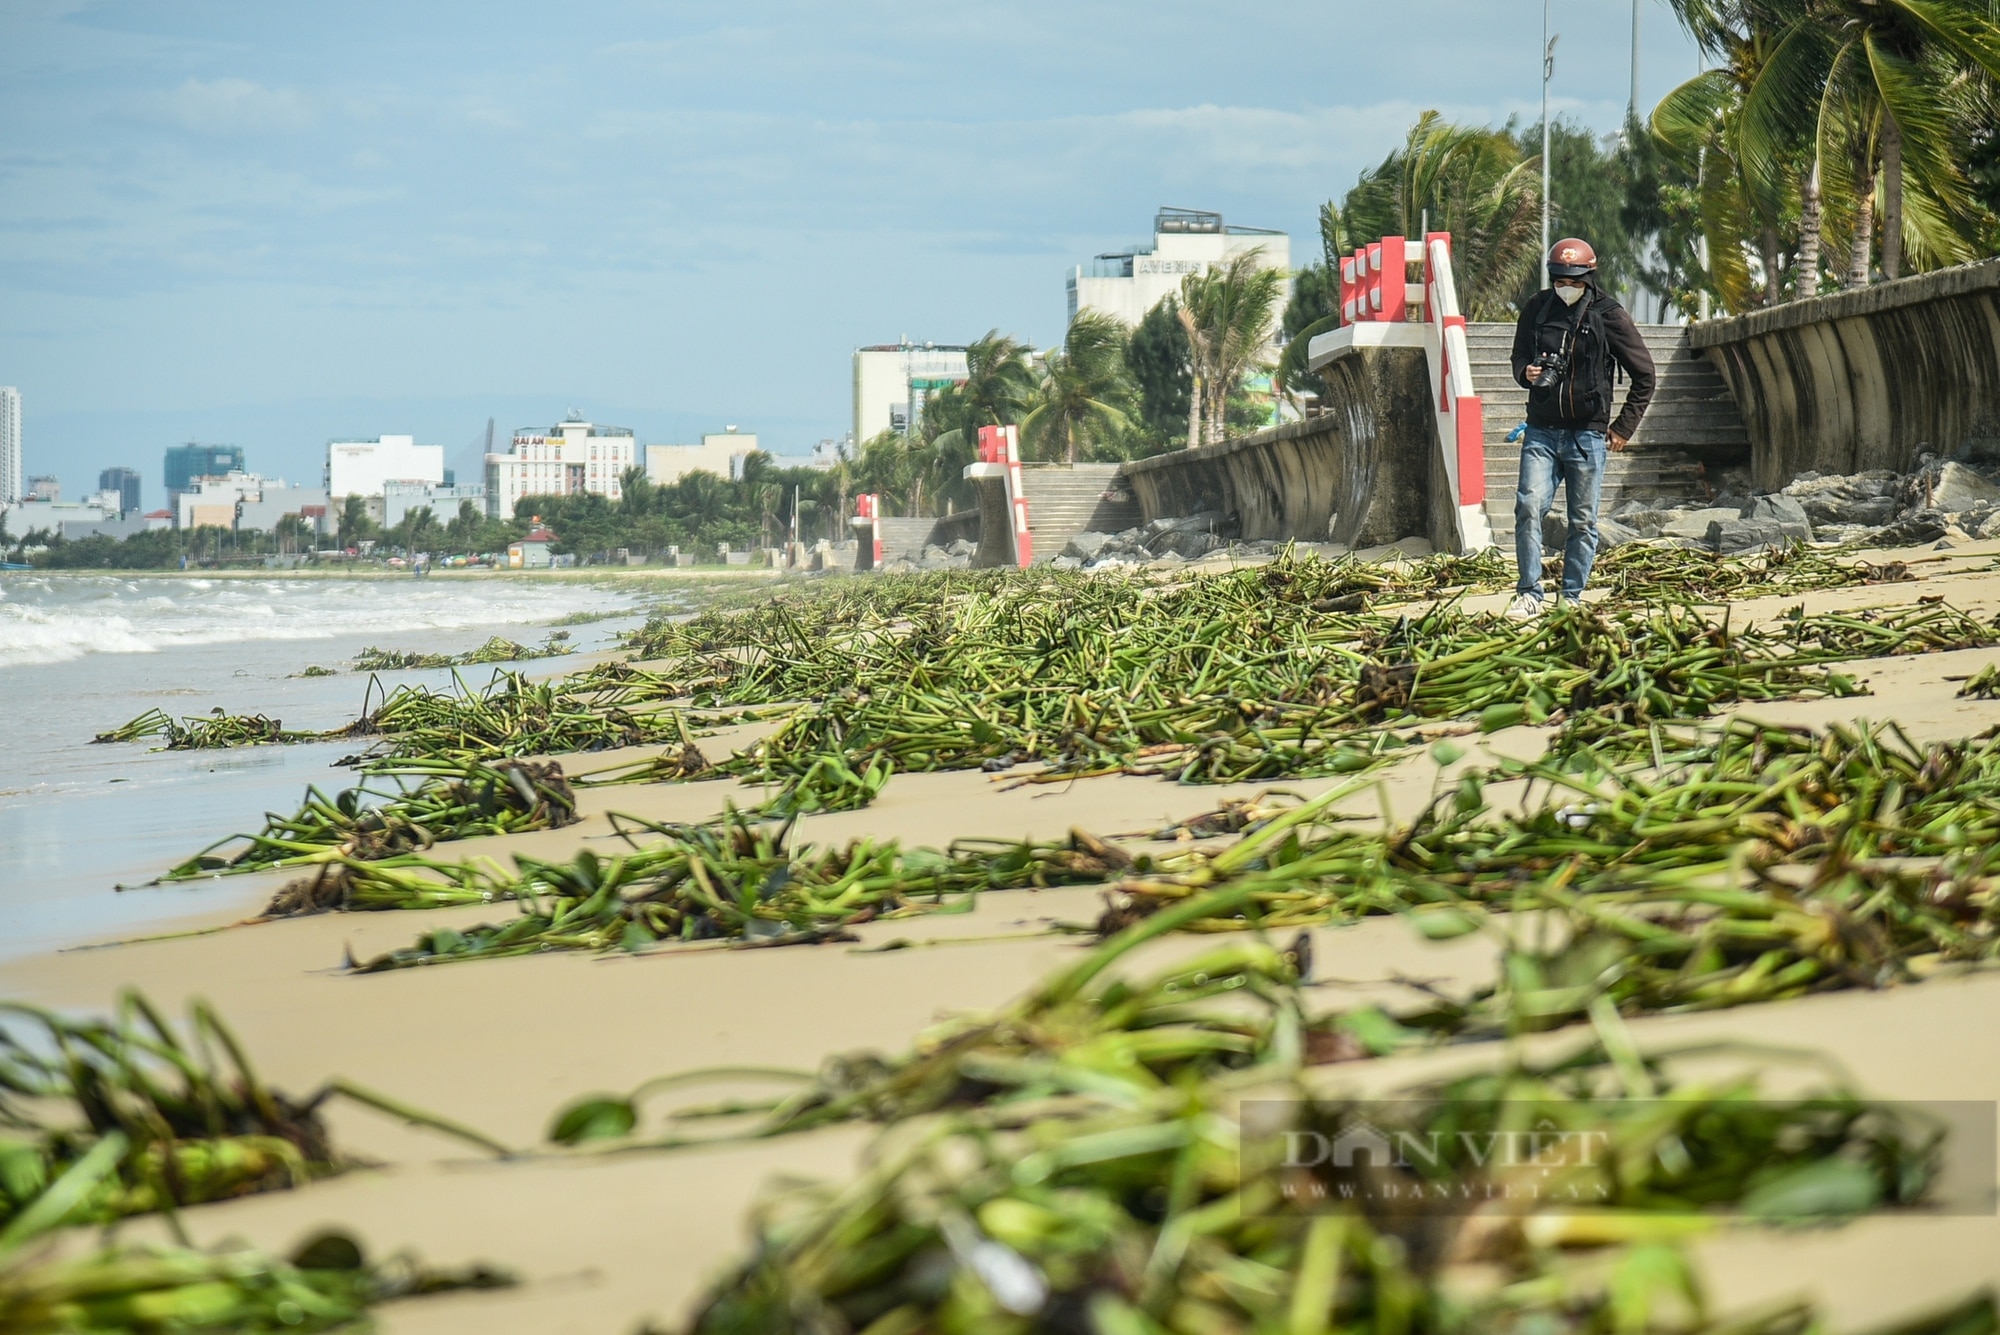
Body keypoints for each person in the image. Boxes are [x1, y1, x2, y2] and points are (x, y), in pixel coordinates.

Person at [1506, 238, 1656, 619]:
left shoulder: (1609, 315)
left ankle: (1571, 596)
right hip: (1540, 431)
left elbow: (1645, 375)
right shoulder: (1537, 309)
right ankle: (1529, 593)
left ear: (1589, 276)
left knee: (1583, 520)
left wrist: (1623, 428)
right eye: (1559, 279)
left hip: (1587, 435)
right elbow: (1519, 354)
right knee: (1527, 507)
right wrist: (1526, 372)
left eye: (1573, 280)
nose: (1565, 286)